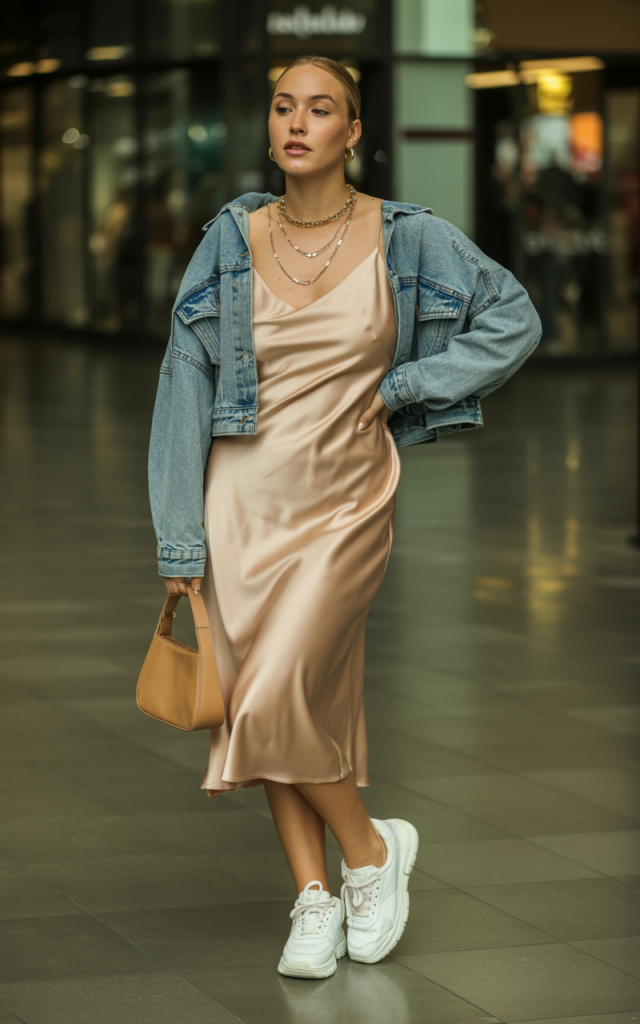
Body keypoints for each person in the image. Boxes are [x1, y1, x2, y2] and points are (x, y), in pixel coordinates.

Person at [148, 56, 541, 980]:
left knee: (278, 687)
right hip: (239, 495)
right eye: (284, 106)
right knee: (276, 697)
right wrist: (178, 533)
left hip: (347, 493)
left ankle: (368, 851)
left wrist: (408, 383)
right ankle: (314, 896)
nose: (297, 123)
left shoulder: (410, 238)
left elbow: (512, 318)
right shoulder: (231, 237)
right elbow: (184, 381)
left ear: (353, 131)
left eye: (320, 109)